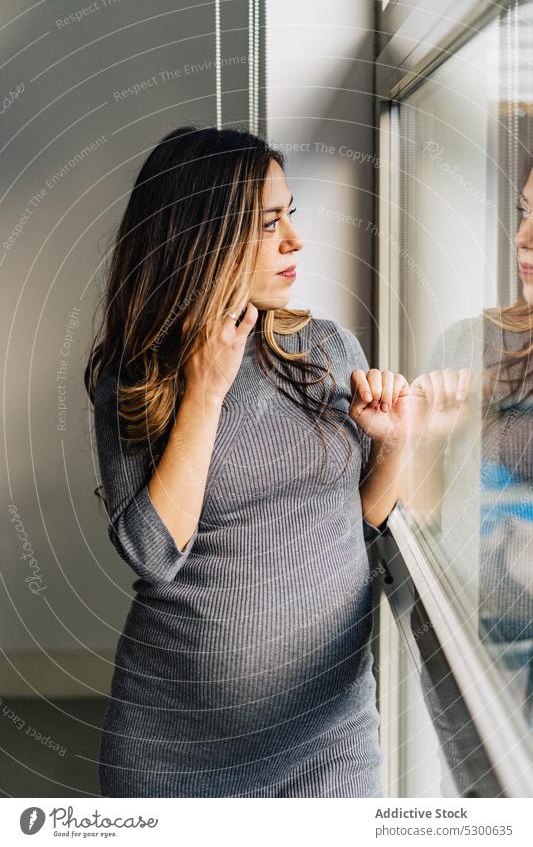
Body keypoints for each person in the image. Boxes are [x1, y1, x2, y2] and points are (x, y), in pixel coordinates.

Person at [85, 124, 409, 798]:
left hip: (328, 738)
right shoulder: (139, 376)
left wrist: (394, 443)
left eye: (290, 214)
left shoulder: (328, 349)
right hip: (176, 754)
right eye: (268, 223)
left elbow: (353, 529)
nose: (294, 240)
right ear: (202, 237)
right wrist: (205, 389)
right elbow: (151, 551)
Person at [404, 157, 533, 794]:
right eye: (524, 212)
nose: (524, 238)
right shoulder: (465, 344)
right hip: (472, 661)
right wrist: (429, 438)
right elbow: (418, 521)